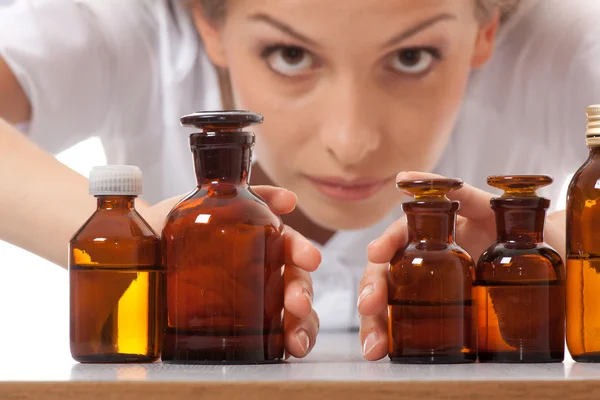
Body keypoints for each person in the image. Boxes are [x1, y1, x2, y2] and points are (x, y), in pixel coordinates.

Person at [0, 0, 598, 360]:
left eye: (411, 56)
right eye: (290, 54)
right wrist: (125, 237)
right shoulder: (128, 23)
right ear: (209, 25)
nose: (351, 139)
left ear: (487, 29)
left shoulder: (554, 36)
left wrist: (555, 238)